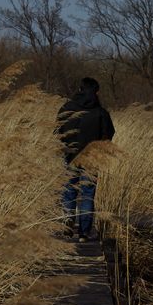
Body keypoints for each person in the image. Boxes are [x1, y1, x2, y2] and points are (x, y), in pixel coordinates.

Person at [57, 77, 115, 242]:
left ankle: (68, 221)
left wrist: (66, 146)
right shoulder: (100, 112)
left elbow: (58, 131)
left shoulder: (67, 108)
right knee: (88, 194)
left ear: (80, 89)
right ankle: (84, 232)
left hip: (71, 156)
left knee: (70, 189)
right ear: (95, 92)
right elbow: (108, 134)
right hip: (92, 159)